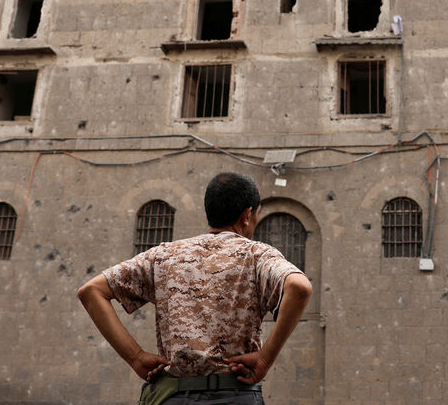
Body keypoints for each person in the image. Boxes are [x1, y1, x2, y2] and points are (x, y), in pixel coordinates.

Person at [78, 172, 313, 405]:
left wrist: (136, 357)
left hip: (174, 396)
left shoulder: (164, 255)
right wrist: (264, 358)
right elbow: (299, 286)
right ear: (247, 215)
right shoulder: (256, 255)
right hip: (235, 394)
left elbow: (91, 291)